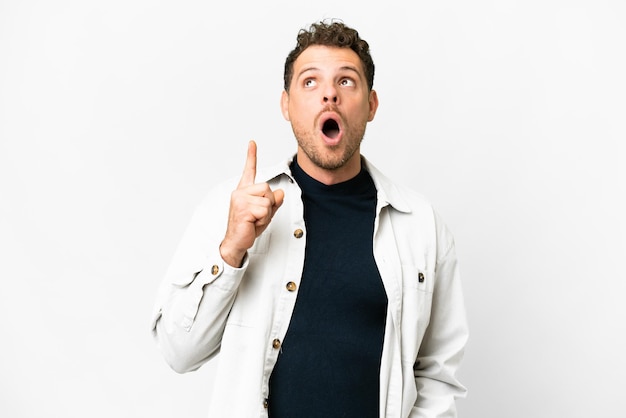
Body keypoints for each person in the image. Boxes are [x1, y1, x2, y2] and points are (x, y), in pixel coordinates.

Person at [151, 20, 468, 418]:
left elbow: (436, 376)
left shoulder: (420, 226)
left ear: (371, 105)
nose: (329, 95)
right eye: (310, 82)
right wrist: (231, 249)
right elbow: (179, 352)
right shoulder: (232, 208)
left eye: (347, 82)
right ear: (286, 104)